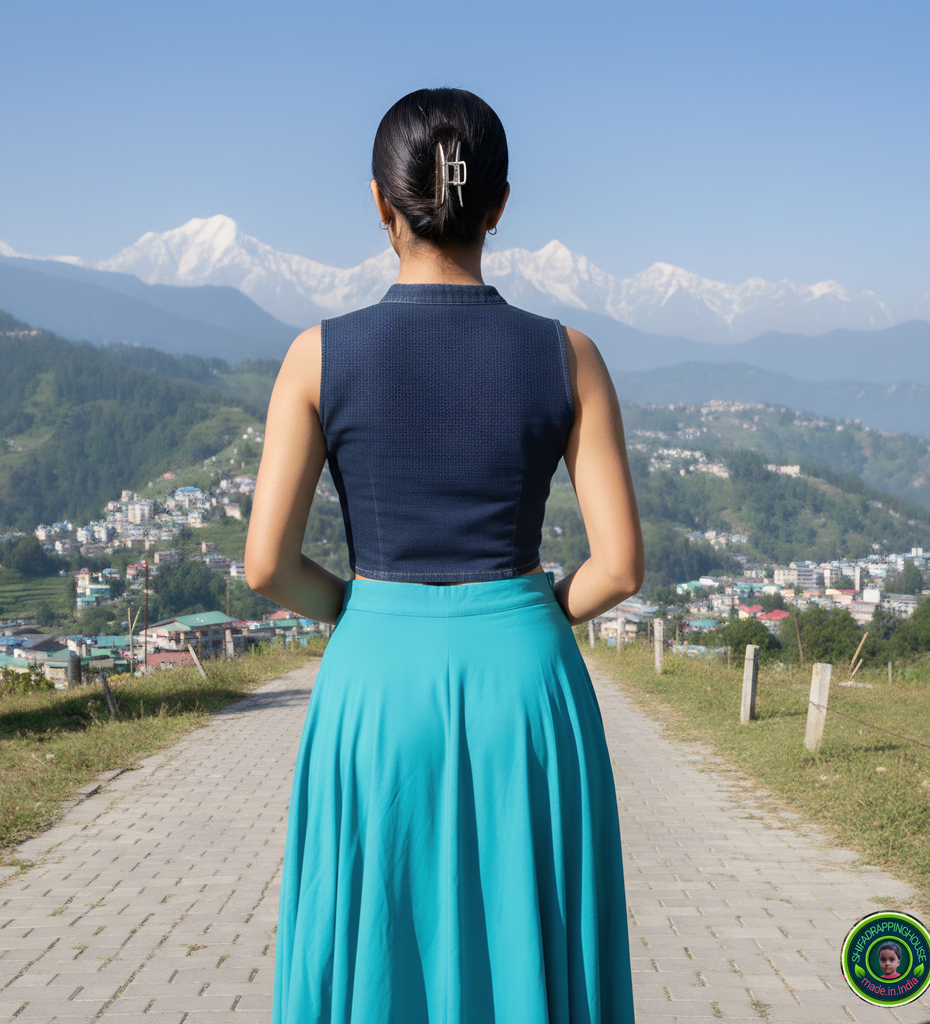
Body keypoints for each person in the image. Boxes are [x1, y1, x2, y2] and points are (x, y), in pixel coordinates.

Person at [245, 87, 644, 1024]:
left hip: (375, 682)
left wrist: (360, 609)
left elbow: (267, 565)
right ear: (500, 206)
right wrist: (530, 606)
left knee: (376, 942)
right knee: (535, 938)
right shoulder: (569, 354)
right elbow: (619, 566)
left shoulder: (316, 356)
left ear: (381, 204)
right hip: (526, 681)